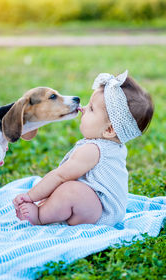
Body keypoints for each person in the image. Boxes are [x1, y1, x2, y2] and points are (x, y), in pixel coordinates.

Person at [13, 70, 154, 226]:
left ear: (109, 130)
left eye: (92, 108)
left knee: (71, 190)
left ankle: (40, 216)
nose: (83, 108)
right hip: (96, 207)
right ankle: (49, 207)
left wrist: (30, 196)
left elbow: (60, 176)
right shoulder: (111, 144)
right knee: (68, 187)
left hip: (101, 213)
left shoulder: (93, 150)